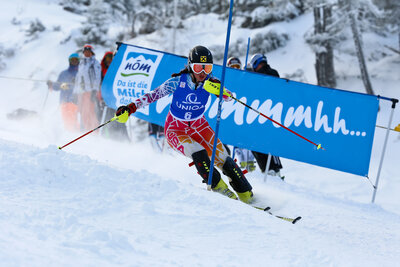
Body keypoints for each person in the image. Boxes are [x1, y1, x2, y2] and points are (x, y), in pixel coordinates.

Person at [115, 46, 254, 204]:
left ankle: (246, 194)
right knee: (199, 153)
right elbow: (153, 95)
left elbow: (229, 98)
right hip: (176, 129)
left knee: (224, 159)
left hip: (200, 126)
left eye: (207, 67)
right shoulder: (177, 82)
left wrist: (220, 90)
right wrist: (130, 107)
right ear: (190, 66)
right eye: (198, 67)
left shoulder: (210, 82)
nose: (203, 72)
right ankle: (220, 189)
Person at [248, 53, 284, 178]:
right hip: (260, 115)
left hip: (270, 114)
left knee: (268, 142)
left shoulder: (270, 73)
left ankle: (275, 171)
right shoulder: (258, 75)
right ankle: (268, 170)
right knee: (258, 142)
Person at [227, 57, 256, 172]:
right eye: (232, 67)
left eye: (237, 67)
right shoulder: (228, 78)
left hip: (244, 112)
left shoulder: (243, 78)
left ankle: (250, 166)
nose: (235, 70)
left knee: (246, 140)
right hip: (232, 112)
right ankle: (241, 164)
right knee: (236, 141)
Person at [99, 51, 130, 141]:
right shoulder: (101, 71)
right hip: (106, 99)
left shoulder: (115, 69)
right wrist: (101, 98)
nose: (109, 61)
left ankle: (124, 139)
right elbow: (100, 85)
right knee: (107, 119)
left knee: (119, 118)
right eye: (107, 59)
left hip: (115, 99)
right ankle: (107, 138)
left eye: (110, 59)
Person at [47, 53, 80, 131]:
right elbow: (57, 86)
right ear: (69, 61)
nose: (74, 62)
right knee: (66, 120)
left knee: (73, 119)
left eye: (76, 60)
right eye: (72, 60)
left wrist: (71, 85)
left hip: (73, 101)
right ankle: (68, 136)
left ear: (78, 61)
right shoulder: (63, 73)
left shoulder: (80, 73)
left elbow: (82, 86)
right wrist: (51, 84)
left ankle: (76, 134)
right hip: (63, 101)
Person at [74, 44, 101, 131]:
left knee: (90, 111)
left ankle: (94, 131)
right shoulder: (82, 63)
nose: (87, 54)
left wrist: (95, 90)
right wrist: (75, 91)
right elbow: (78, 77)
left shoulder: (95, 63)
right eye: (85, 52)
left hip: (90, 91)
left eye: (88, 52)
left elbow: (97, 77)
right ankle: (87, 130)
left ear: (92, 52)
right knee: (82, 112)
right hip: (81, 91)